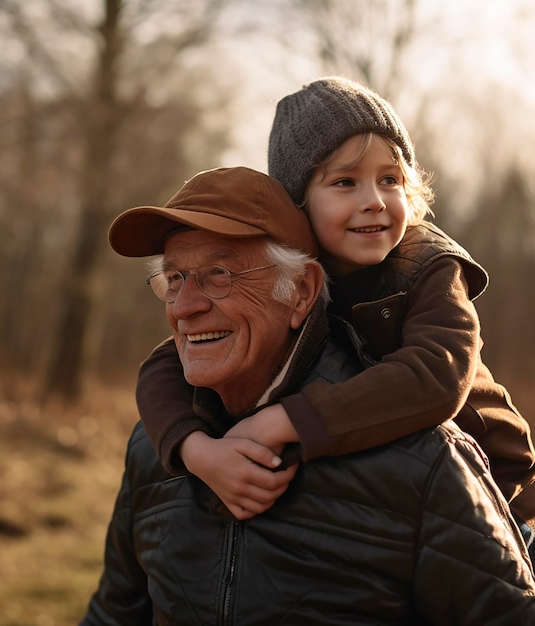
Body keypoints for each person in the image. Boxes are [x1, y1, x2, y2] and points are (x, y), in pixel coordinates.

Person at [80, 166, 535, 625]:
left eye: (219, 275)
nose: (183, 307)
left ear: (300, 293)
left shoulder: (423, 460)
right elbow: (113, 614)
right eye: (174, 279)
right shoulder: (157, 445)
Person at [134, 76, 535, 550]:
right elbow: (164, 365)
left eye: (390, 179)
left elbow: (436, 376)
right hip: (395, 487)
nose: (374, 199)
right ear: (300, 203)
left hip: (496, 484)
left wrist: (281, 422)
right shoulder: (296, 275)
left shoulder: (429, 267)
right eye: (345, 182)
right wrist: (198, 452)